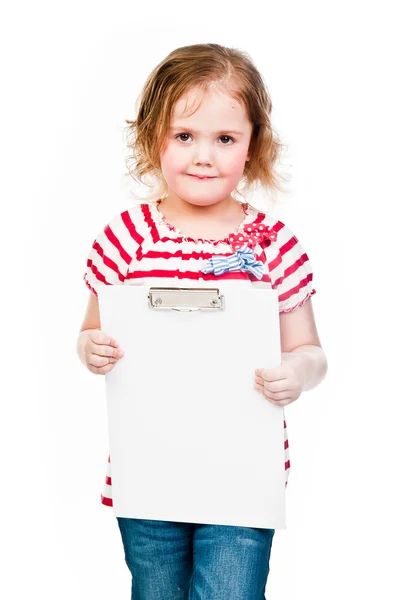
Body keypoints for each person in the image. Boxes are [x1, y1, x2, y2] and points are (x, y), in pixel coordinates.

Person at [76, 43, 328, 600]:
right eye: (184, 135)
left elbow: (310, 349)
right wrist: (91, 349)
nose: (203, 156)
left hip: (243, 477)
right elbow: (91, 332)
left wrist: (298, 371)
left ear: (252, 147)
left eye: (225, 139)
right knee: (155, 591)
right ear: (151, 137)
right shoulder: (125, 239)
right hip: (149, 470)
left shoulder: (271, 245)